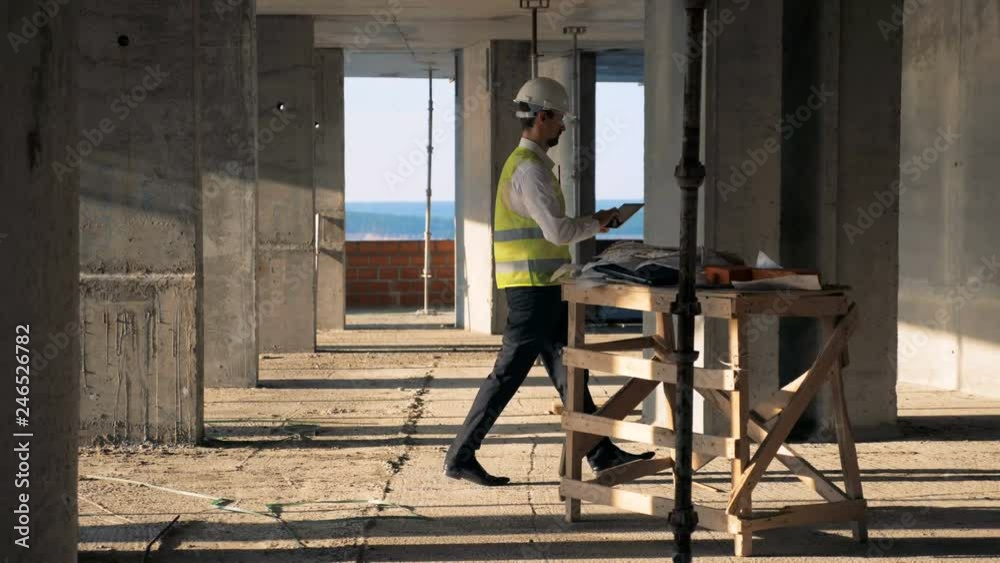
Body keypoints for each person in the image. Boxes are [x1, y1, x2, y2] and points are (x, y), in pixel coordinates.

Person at [443, 77, 654, 486]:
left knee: (570, 370)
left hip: (545, 286)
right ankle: (460, 455)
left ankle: (601, 452)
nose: (563, 127)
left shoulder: (532, 167)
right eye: (560, 120)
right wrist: (598, 221)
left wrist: (595, 220)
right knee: (508, 376)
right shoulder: (531, 171)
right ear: (543, 117)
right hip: (532, 291)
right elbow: (557, 233)